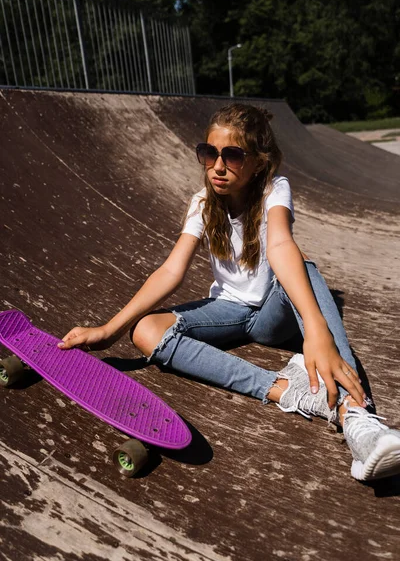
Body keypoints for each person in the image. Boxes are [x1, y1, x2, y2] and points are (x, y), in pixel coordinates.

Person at [59, 103, 400, 481]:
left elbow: (281, 247)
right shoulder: (204, 202)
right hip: (229, 311)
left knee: (301, 265)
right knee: (145, 331)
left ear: (257, 162)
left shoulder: (273, 189)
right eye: (209, 153)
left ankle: (357, 416)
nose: (218, 166)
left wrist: (316, 330)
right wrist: (109, 330)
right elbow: (172, 269)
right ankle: (287, 391)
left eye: (233, 155)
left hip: (274, 311)